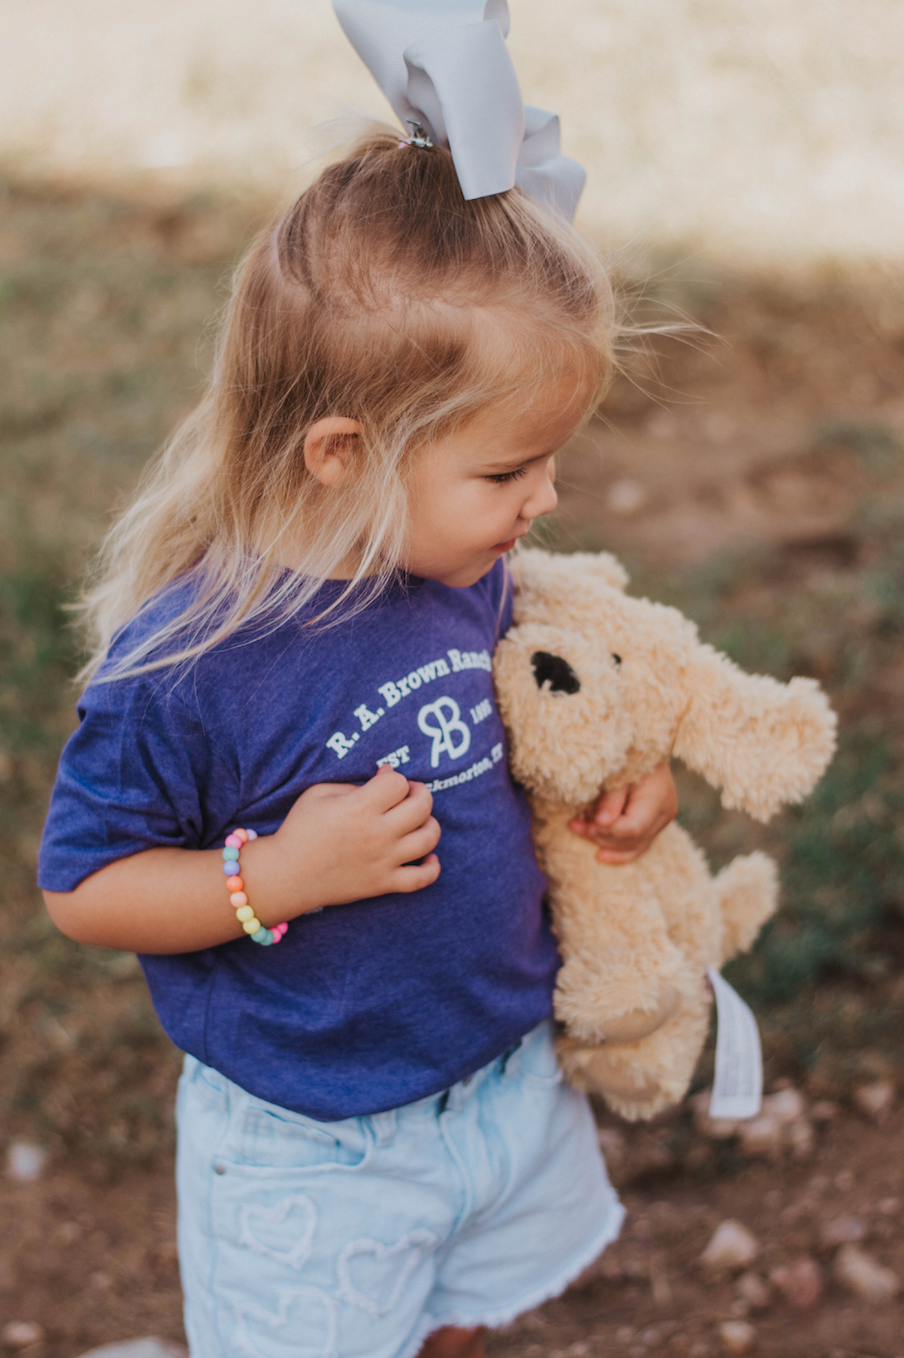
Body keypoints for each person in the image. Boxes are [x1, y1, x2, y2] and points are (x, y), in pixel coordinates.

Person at [38, 129, 678, 1358]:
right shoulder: (189, 668)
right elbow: (84, 888)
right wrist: (272, 877)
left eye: (550, 461)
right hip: (315, 1147)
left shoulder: (457, 566)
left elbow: (531, 709)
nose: (543, 500)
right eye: (505, 470)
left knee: (459, 1318)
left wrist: (613, 772)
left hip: (499, 1078)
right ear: (343, 455)